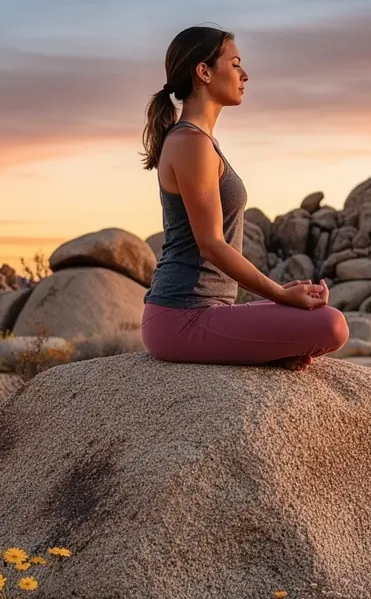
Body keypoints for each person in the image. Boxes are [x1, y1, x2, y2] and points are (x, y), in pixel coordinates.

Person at [140, 25, 349, 370]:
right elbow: (211, 244)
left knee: (317, 312)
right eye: (235, 64)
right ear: (203, 72)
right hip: (181, 316)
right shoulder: (191, 143)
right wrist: (280, 295)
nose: (245, 74)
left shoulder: (200, 141)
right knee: (332, 326)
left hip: (209, 311)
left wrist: (286, 298)